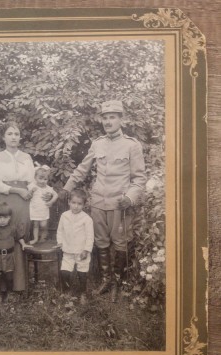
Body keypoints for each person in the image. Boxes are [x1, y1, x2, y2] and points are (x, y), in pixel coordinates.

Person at [60, 100, 146, 302]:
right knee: (101, 243)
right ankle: (106, 281)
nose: (108, 121)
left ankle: (117, 282)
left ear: (120, 119)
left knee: (120, 243)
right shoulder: (98, 143)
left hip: (120, 204)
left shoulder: (132, 145)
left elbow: (139, 179)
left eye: (112, 117)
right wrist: (66, 188)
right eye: (105, 118)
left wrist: (130, 198)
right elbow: (82, 169)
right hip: (98, 202)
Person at [0, 121, 51, 292]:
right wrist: (18, 190)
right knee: (3, 236)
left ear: (20, 137)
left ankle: (20, 284)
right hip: (6, 200)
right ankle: (0, 286)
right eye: (10, 134)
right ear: (3, 137)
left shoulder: (26, 157)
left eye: (16, 134)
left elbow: (31, 181)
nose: (13, 137)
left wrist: (35, 191)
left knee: (20, 236)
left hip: (24, 202)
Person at [0, 202, 32, 303]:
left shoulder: (12, 228)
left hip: (8, 256)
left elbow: (19, 237)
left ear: (9, 217)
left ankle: (9, 293)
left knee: (9, 276)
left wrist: (23, 244)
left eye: (5, 217)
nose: (2, 220)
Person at [56, 189, 94, 305]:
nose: (76, 206)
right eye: (73, 203)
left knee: (82, 272)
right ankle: (67, 291)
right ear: (69, 202)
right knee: (65, 271)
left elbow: (90, 236)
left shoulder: (86, 219)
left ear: (84, 204)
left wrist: (86, 250)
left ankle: (83, 292)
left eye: (79, 204)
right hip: (68, 250)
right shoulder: (64, 216)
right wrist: (60, 242)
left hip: (81, 251)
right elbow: (60, 231)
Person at [28, 164, 58, 245]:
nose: (43, 181)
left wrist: (51, 201)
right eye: (40, 178)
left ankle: (44, 234)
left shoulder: (48, 188)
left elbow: (56, 195)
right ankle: (35, 238)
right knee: (35, 225)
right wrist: (31, 191)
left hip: (43, 210)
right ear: (35, 178)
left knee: (43, 225)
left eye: (45, 179)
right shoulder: (32, 186)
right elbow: (28, 195)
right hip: (35, 209)